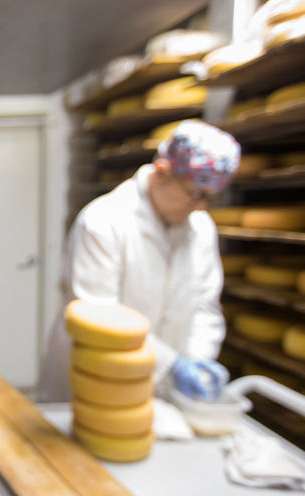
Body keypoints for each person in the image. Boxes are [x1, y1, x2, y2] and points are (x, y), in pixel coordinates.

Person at [38, 119, 240, 403]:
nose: (201, 206)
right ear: (162, 172)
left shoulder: (201, 228)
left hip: (162, 391)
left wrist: (196, 360)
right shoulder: (103, 221)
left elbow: (205, 306)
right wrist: (171, 365)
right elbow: (101, 317)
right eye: (196, 193)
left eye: (211, 197)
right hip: (96, 380)